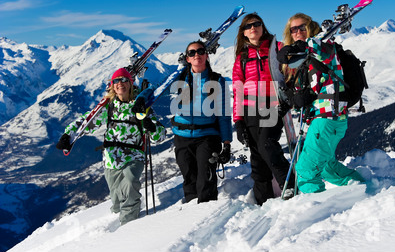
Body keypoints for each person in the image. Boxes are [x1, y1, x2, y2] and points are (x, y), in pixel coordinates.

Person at [56, 67, 166, 225]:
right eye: (116, 81)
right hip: (111, 158)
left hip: (134, 155)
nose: (120, 83)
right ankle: (117, 218)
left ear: (130, 83)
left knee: (130, 184)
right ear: (112, 86)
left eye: (123, 80)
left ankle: (129, 225)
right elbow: (87, 121)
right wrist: (68, 135)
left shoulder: (140, 107)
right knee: (116, 200)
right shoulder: (108, 107)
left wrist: (152, 127)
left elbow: (160, 135)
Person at [277, 13, 365, 194]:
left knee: (305, 170)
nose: (298, 32)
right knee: (327, 168)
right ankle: (363, 188)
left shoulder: (324, 46)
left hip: (327, 117)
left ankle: (315, 212)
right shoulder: (304, 59)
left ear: (311, 27)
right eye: (293, 29)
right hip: (327, 120)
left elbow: (320, 50)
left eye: (302, 27)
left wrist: (300, 47)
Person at [232, 13, 295, 205]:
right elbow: (238, 90)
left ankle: (289, 183)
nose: (253, 28)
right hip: (250, 110)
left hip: (272, 104)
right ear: (243, 32)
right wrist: (239, 121)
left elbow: (291, 74)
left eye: (257, 24)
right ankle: (263, 199)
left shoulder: (277, 48)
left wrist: (288, 99)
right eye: (248, 26)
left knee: (267, 143)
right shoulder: (241, 58)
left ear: (262, 26)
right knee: (257, 156)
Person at [171, 41, 232, 204]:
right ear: (187, 59)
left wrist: (226, 143)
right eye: (192, 53)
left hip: (207, 136)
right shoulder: (178, 79)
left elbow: (224, 114)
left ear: (206, 55)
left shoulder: (217, 81)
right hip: (182, 136)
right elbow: (157, 89)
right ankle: (192, 215)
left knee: (205, 180)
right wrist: (142, 99)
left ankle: (206, 213)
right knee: (189, 179)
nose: (196, 54)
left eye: (200, 51)